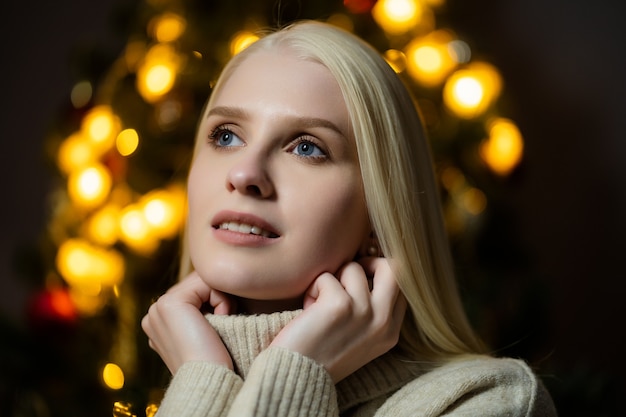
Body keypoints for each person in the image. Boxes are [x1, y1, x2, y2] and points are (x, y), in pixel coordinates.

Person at [141, 20, 557, 416]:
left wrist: (297, 370)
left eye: (307, 147)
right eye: (226, 135)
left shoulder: (487, 403)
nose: (245, 174)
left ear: (380, 211)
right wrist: (203, 377)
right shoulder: (180, 377)